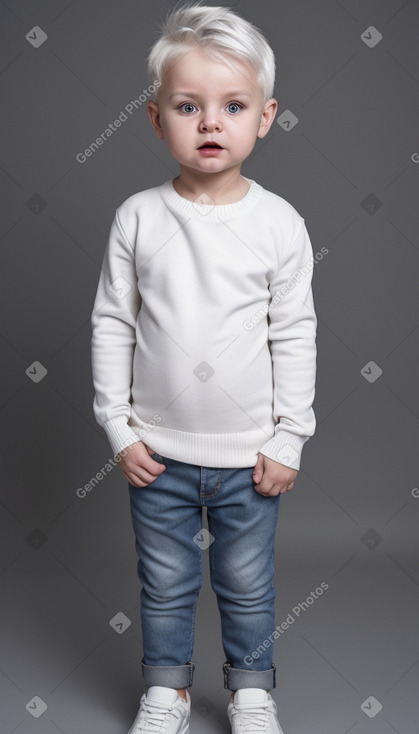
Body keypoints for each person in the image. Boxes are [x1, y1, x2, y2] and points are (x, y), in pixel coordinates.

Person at [91, 3, 317, 733]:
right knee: (163, 583)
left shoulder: (279, 224)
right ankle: (168, 691)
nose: (210, 123)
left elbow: (294, 333)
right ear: (157, 120)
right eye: (188, 107)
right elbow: (111, 324)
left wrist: (289, 437)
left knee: (247, 583)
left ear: (266, 117)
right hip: (156, 453)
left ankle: (251, 688)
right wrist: (118, 428)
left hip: (250, 455)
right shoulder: (138, 218)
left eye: (232, 106)